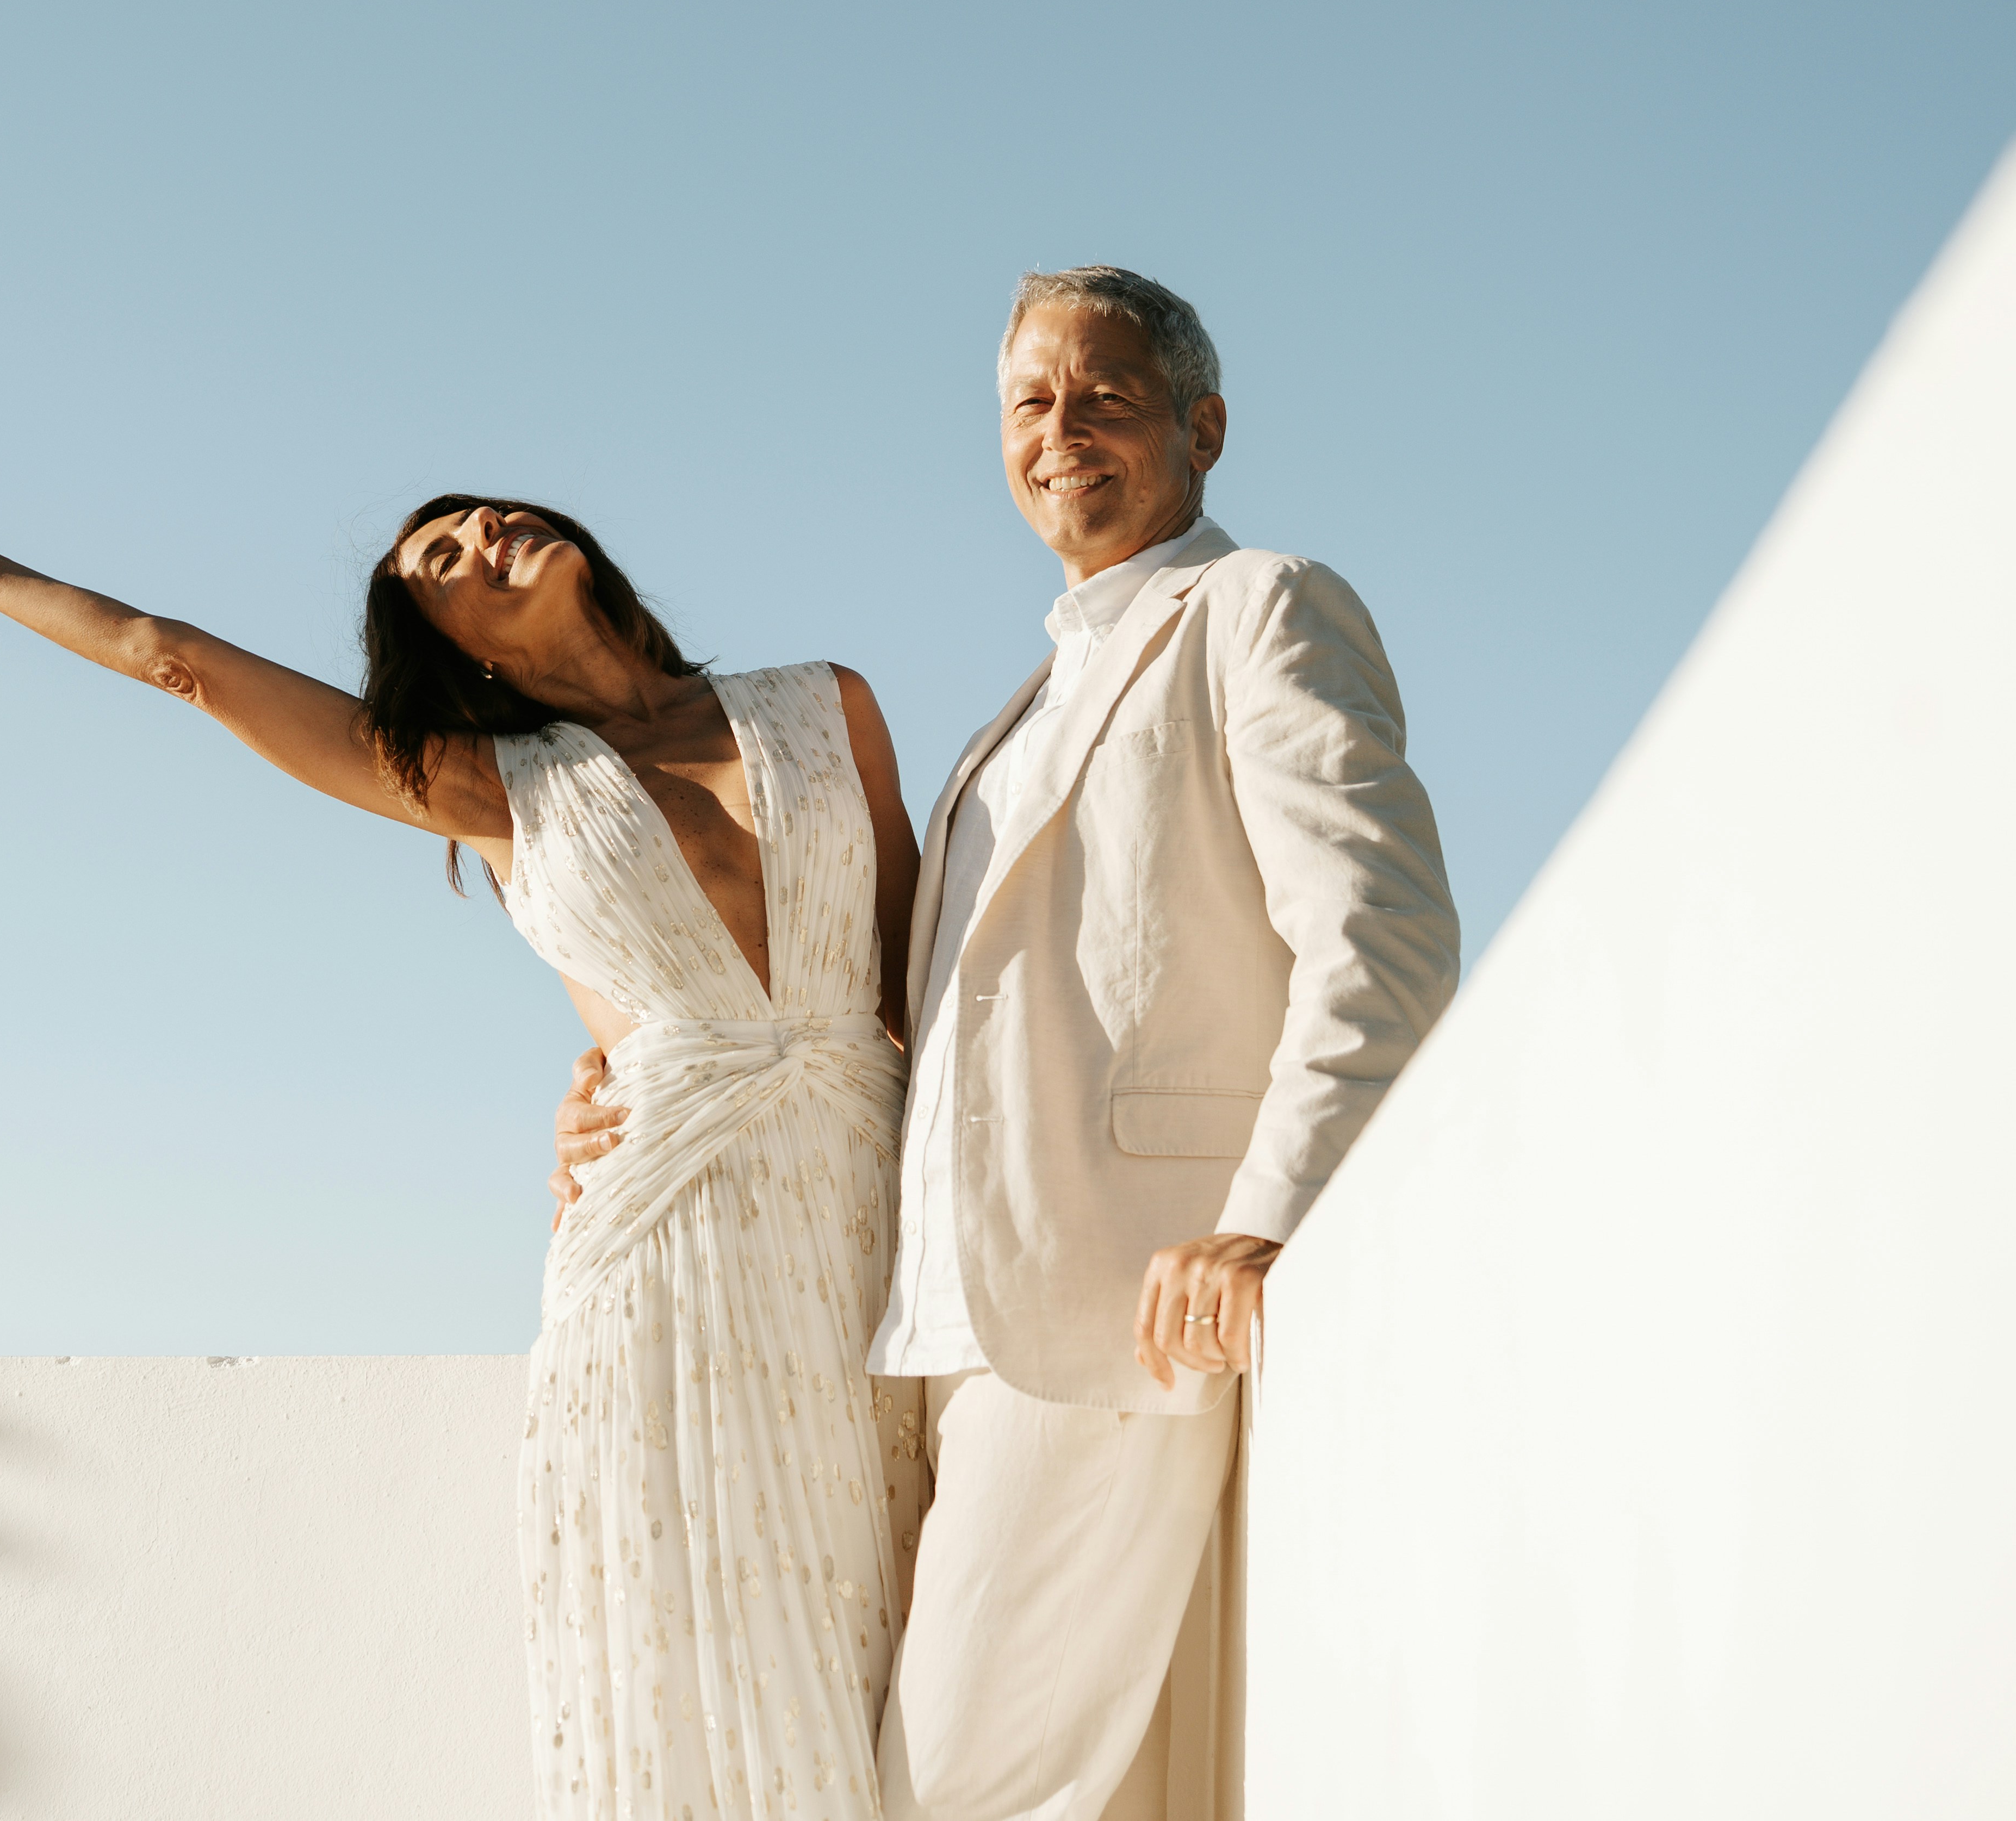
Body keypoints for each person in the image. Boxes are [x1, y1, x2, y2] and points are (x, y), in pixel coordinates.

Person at [0, 458, 931, 1821]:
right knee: (717, 1635)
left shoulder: (823, 707)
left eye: (489, 516)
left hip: (864, 1217)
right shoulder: (489, 784)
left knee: (904, 1620)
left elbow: (922, 983)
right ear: (443, 653)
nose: (479, 536)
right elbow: (178, 663)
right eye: (437, 561)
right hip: (666, 1255)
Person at [554, 267, 1460, 1821]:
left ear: (1205, 424)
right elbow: (891, 1019)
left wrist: (1260, 1216)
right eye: (1030, 402)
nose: (1061, 430)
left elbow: (1381, 934)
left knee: (949, 1794)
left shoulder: (1259, 607)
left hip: (1112, 1312)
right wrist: (623, 1077)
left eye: (1103, 393)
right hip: (932, 1339)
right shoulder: (1012, 715)